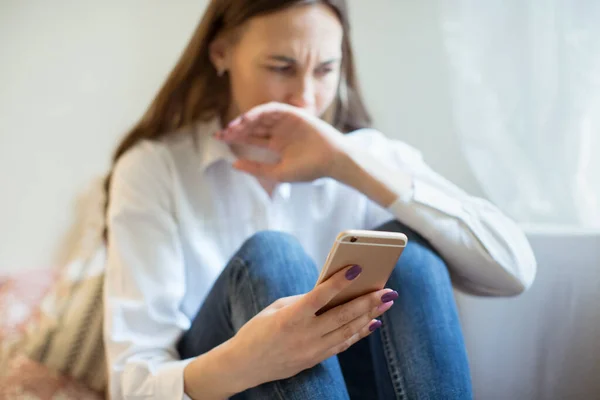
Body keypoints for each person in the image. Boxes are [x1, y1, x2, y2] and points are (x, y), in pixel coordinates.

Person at [102, 1, 537, 399]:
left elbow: (513, 271)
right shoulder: (155, 169)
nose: (305, 99)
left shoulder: (366, 159)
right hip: (223, 385)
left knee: (413, 258)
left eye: (326, 70)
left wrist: (346, 162)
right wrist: (248, 360)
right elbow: (132, 383)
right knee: (273, 258)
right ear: (221, 54)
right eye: (281, 66)